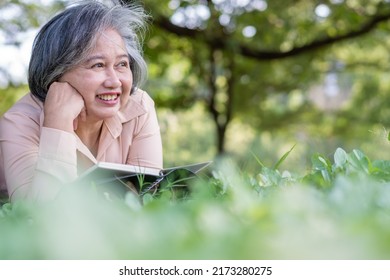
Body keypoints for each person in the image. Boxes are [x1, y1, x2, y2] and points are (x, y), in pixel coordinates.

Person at [0, 0, 163, 202]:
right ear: (56, 74)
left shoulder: (139, 107)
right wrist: (58, 122)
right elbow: (38, 214)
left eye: (122, 64)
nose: (114, 81)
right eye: (97, 65)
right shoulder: (20, 121)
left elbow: (149, 198)